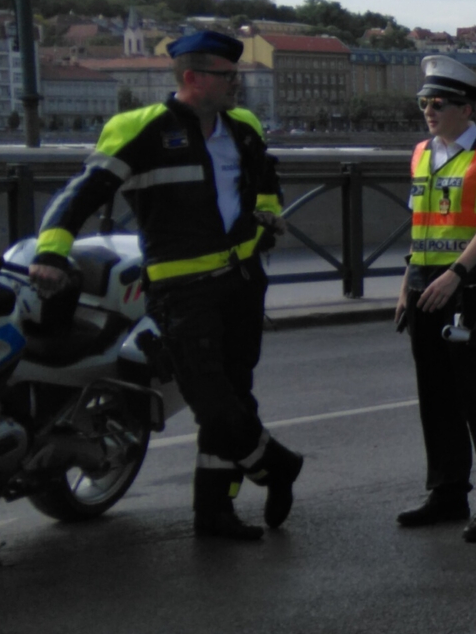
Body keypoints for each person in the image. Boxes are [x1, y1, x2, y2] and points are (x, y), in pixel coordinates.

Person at [30, 30, 302, 540]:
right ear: (192, 77)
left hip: (243, 281)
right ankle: (275, 465)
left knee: (236, 397)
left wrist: (268, 214)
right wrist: (52, 251)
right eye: (226, 76)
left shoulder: (242, 126)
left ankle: (215, 512)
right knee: (211, 402)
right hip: (182, 289)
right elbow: (81, 194)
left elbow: (265, 180)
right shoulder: (141, 129)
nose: (235, 86)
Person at [393, 57, 476, 542]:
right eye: (424, 102)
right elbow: (420, 224)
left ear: (465, 109)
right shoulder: (422, 153)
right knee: (437, 395)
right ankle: (447, 492)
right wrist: (407, 281)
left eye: (438, 103)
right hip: (426, 284)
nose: (428, 110)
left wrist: (456, 273)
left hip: (469, 287)